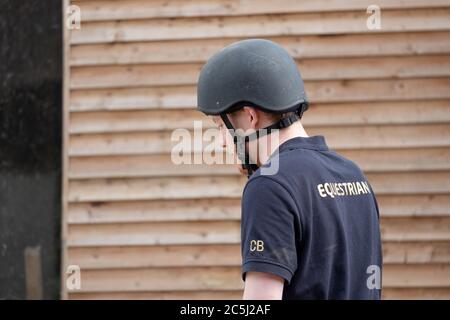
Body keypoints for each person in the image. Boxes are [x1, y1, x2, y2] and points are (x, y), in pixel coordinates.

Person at [196, 39, 382, 300]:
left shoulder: (270, 184)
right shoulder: (353, 175)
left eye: (220, 126)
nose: (221, 141)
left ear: (250, 117)